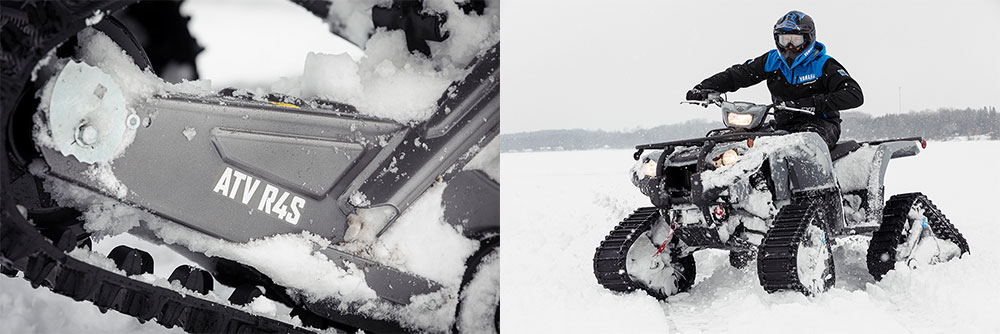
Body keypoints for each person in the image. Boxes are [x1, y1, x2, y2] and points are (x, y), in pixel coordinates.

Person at [685, 10, 863, 147]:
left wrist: (812, 102)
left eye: (795, 40)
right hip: (782, 125)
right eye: (784, 40)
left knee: (801, 147)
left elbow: (854, 94)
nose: (790, 47)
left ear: (808, 39)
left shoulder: (823, 64)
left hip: (821, 124)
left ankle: (816, 193)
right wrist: (705, 87)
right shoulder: (773, 61)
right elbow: (738, 74)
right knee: (736, 142)